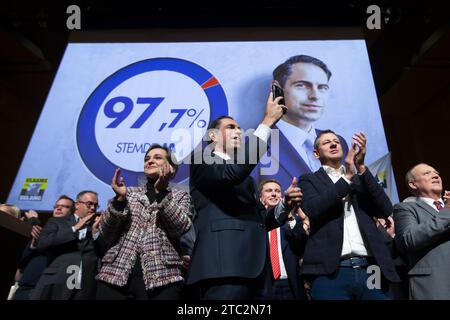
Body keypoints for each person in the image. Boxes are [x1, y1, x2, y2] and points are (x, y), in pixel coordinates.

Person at [187, 92, 302, 300]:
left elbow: (259, 222)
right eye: (230, 127)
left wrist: (284, 205)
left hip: (257, 271)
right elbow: (233, 172)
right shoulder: (202, 160)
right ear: (212, 136)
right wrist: (267, 122)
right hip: (225, 268)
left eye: (240, 128)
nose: (238, 131)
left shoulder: (247, 180)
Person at [298, 129, 399, 300]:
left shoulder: (360, 177)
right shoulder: (309, 180)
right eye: (326, 142)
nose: (333, 143)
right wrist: (346, 179)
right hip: (330, 271)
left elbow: (384, 209)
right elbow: (313, 209)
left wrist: (361, 167)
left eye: (336, 140)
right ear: (316, 153)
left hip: (370, 268)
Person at [96, 144, 192, 300]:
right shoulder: (128, 193)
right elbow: (106, 232)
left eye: (157, 157)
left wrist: (161, 193)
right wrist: (120, 200)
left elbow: (179, 227)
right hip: (114, 275)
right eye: (147, 158)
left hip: (163, 278)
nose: (150, 161)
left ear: (171, 167)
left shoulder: (180, 197)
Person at [252, 55, 348, 188]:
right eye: (301, 85)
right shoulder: (255, 145)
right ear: (277, 88)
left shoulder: (339, 142)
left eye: (322, 87)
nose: (315, 96)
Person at [394, 163, 450, 299]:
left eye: (436, 173)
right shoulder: (406, 208)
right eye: (426, 173)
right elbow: (409, 239)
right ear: (413, 184)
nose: (435, 175)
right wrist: (447, 212)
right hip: (435, 286)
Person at [31, 190, 102, 300]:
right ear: (77, 204)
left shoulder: (95, 228)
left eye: (96, 205)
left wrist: (95, 233)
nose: (93, 208)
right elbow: (42, 244)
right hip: (56, 282)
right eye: (89, 204)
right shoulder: (58, 222)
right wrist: (75, 228)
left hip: (84, 289)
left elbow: (100, 253)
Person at [13, 195, 75, 300]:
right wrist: (33, 245)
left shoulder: (72, 232)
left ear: (72, 212)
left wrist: (34, 221)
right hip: (25, 287)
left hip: (45, 288)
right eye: (56, 206)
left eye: (64, 206)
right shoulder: (40, 231)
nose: (58, 208)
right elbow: (22, 260)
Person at [259, 179, 308, 300]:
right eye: (269, 191)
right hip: (265, 287)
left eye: (277, 191)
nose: (274, 194)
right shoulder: (255, 224)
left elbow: (302, 246)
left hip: (291, 285)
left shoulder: (293, 222)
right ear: (260, 197)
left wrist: (289, 216)